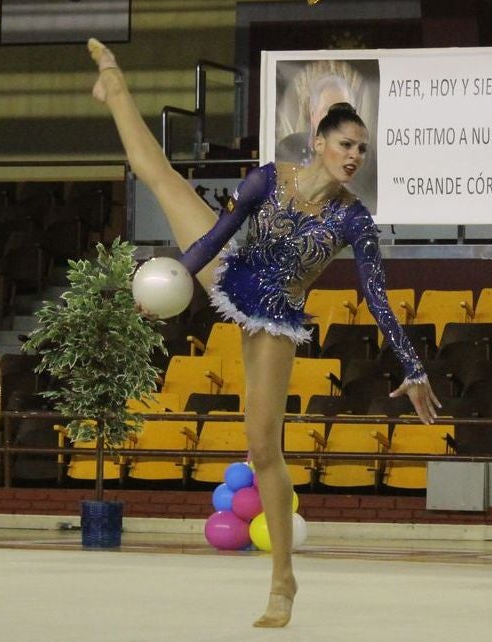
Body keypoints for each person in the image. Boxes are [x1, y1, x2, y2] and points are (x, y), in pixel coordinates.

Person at [87, 39, 440, 628]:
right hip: (232, 269)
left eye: (362, 148)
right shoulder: (270, 179)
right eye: (345, 144)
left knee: (263, 449)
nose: (354, 155)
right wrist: (177, 274)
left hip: (275, 315)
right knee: (163, 177)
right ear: (320, 142)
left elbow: (376, 299)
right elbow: (216, 237)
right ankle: (115, 85)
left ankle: (283, 581)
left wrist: (414, 367)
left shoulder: (354, 219)